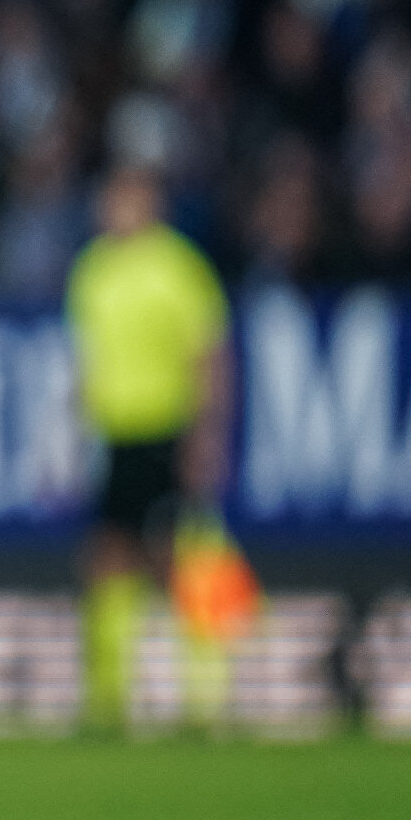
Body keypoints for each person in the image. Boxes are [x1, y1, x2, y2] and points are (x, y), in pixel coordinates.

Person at [63, 162, 233, 731]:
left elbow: (209, 356)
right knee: (108, 557)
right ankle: (107, 698)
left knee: (177, 560)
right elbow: (87, 361)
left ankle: (204, 695)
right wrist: (71, 431)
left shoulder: (178, 268)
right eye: (111, 198)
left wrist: (207, 434)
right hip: (114, 433)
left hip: (166, 428)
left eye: (127, 198)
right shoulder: (93, 270)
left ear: (152, 203)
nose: (115, 210)